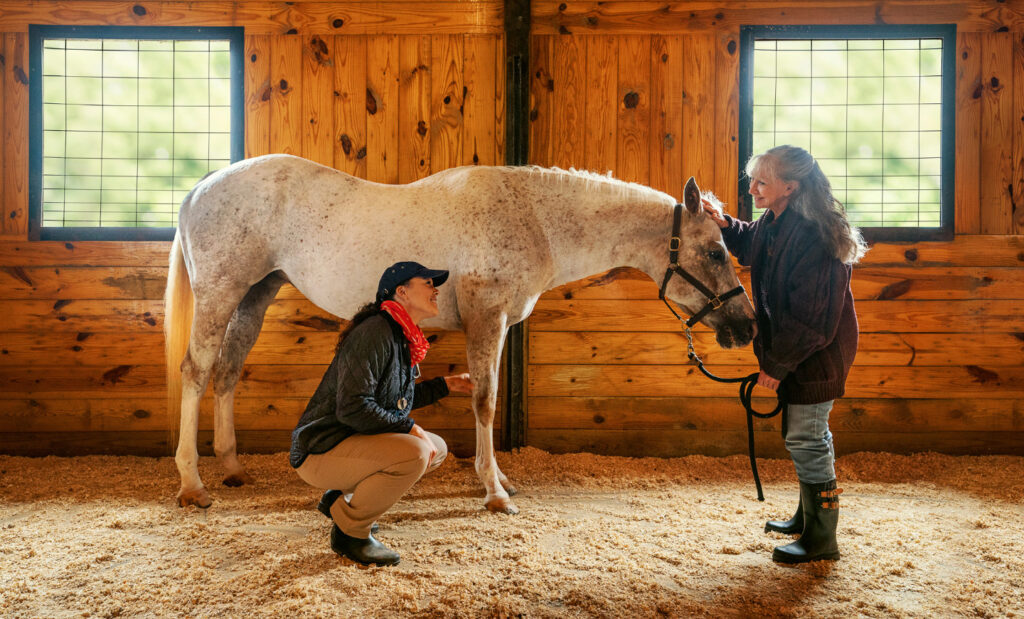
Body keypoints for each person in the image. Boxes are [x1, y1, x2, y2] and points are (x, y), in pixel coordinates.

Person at [702, 145, 867, 564]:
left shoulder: (814, 235)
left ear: (790, 187)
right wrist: (725, 224)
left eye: (763, 182)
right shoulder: (777, 220)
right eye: (753, 180)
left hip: (814, 356)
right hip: (797, 353)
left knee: (807, 438)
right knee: (802, 435)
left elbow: (812, 321)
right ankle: (806, 518)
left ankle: (821, 540)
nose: (752, 189)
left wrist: (776, 367)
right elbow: (752, 243)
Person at [289, 261, 474, 566]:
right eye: (427, 283)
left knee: (436, 448)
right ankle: (351, 533)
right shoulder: (375, 332)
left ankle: (344, 499)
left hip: (348, 441)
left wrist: (448, 384)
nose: (436, 290)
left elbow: (396, 401)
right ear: (402, 292)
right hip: (320, 449)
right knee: (416, 452)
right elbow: (353, 407)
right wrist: (410, 427)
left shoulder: (399, 334)